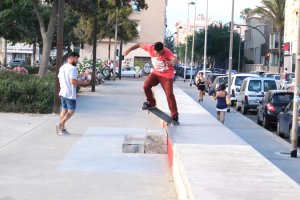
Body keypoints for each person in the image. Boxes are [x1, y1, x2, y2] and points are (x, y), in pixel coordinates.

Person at [124, 42, 179, 125]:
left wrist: (174, 61)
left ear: (163, 49)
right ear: (154, 49)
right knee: (146, 86)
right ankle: (151, 102)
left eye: (160, 53)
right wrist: (128, 50)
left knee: (169, 94)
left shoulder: (167, 52)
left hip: (167, 75)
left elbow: (175, 59)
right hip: (156, 73)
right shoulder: (150, 47)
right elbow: (138, 44)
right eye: (156, 52)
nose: (158, 54)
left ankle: (174, 115)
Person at [56, 52, 89, 135]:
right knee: (72, 111)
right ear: (71, 58)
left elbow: (64, 78)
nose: (77, 60)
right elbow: (72, 81)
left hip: (63, 91)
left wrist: (82, 75)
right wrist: (83, 83)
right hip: (70, 93)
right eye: (76, 58)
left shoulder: (62, 67)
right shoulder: (73, 68)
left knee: (64, 110)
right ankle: (60, 124)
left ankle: (62, 129)